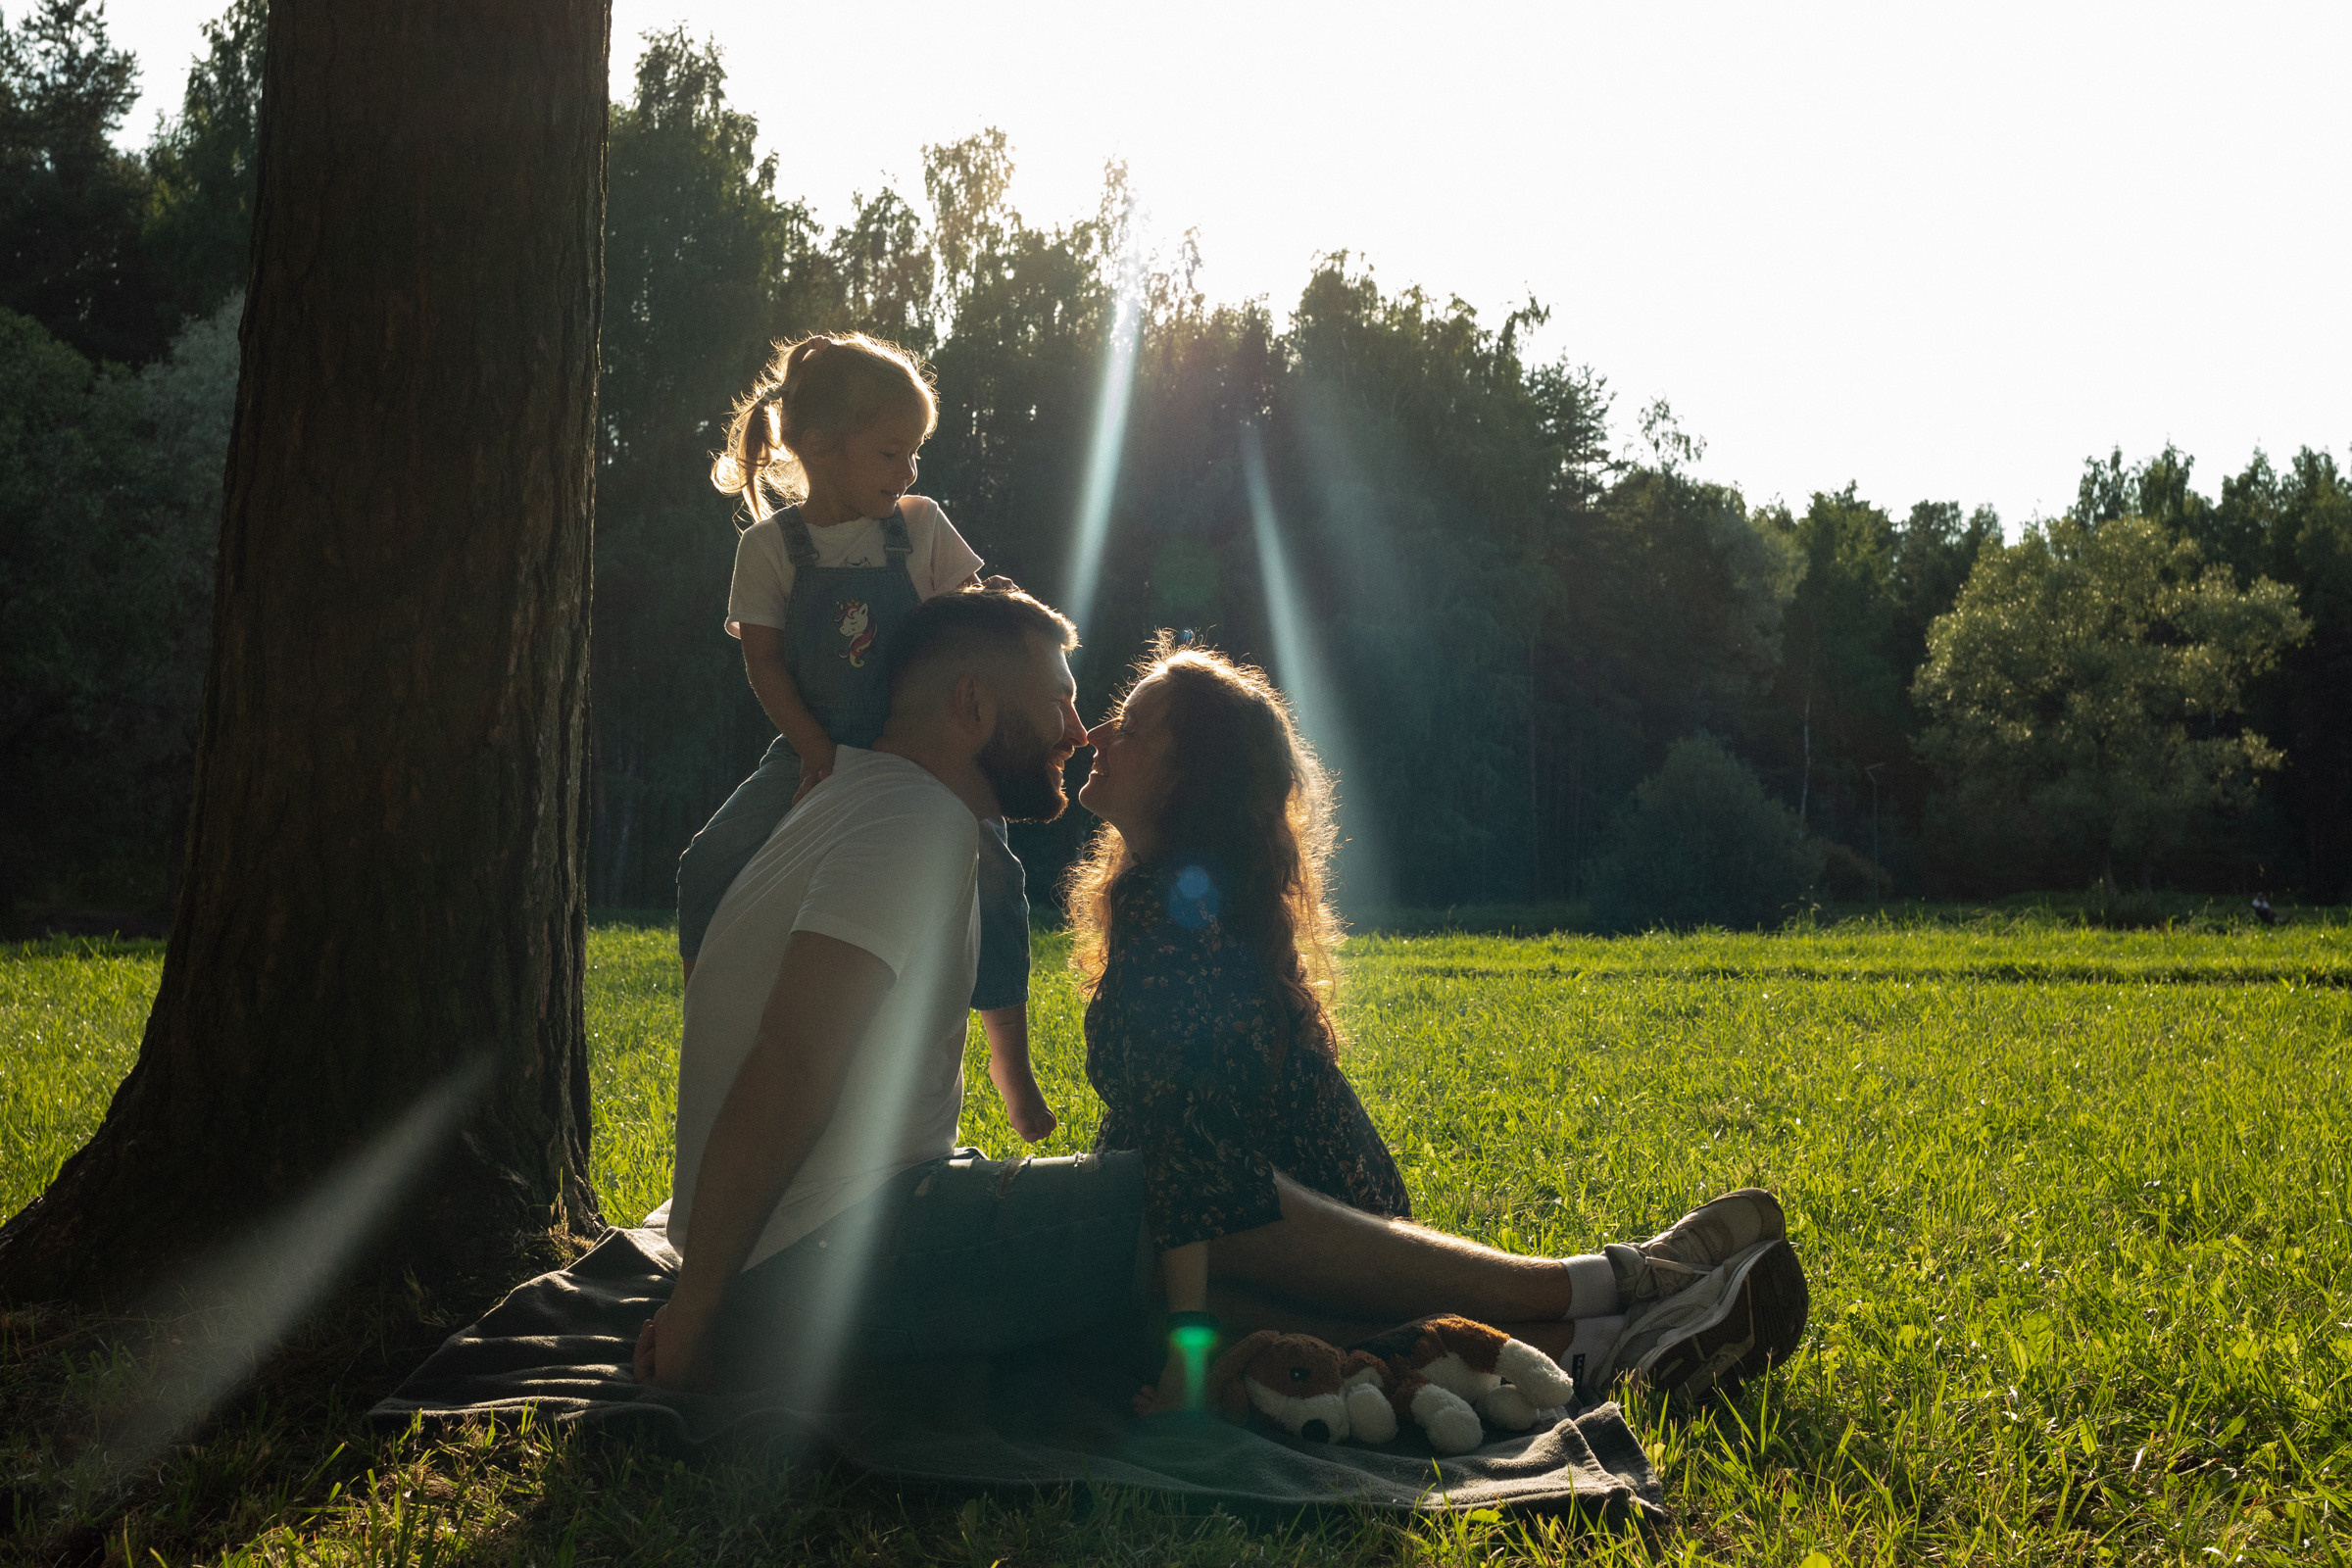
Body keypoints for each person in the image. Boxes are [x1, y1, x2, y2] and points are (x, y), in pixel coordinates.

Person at [639, 610, 1807, 1420]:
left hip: (827, 1247)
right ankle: (1589, 1307)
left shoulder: (885, 808)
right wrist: (700, 1312)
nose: (1078, 729)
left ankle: (1582, 1319)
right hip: (806, 1264)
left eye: (1104, 715)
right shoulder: (911, 826)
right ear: (968, 702)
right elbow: (793, 1055)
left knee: (1160, 1226)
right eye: (1059, 700)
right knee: (1156, 1212)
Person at [1065, 636, 1808, 1412]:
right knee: (1168, 1311)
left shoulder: (1176, 910)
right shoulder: (1175, 898)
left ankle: (1602, 1282)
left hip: (1289, 1214)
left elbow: (1195, 1152)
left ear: (1186, 777)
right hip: (1265, 1223)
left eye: (1131, 725)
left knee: (1174, 1305)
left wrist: (1183, 1336)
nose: (1098, 735)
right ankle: (1606, 1339)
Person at [682, 331, 1053, 1143]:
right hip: (814, 745)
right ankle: (709, 1034)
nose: (909, 472)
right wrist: (815, 750)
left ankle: (1008, 1058)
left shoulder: (918, 528)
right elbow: (768, 665)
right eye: (892, 453)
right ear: (818, 448)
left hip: (921, 751)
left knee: (995, 872)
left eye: (914, 452)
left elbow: (973, 617)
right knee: (707, 862)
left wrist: (1012, 621)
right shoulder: (769, 548)